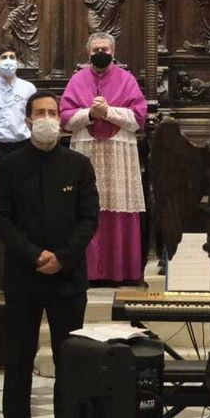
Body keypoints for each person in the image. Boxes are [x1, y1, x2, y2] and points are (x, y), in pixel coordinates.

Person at [0, 90, 99, 418]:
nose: (48, 119)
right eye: (40, 113)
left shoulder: (78, 165)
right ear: (27, 121)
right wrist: (34, 255)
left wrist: (63, 257)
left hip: (67, 277)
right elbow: (1, 219)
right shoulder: (10, 166)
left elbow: (89, 219)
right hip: (24, 276)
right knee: (19, 357)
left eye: (53, 112)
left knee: (68, 359)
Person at [61, 33, 147, 285]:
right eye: (96, 49)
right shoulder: (77, 80)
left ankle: (120, 271)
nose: (101, 53)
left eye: (105, 49)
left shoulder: (127, 79)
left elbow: (138, 118)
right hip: (86, 152)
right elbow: (65, 118)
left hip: (119, 153)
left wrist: (107, 112)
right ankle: (88, 271)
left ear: (113, 52)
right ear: (88, 53)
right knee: (86, 207)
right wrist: (90, 113)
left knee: (119, 206)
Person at [0, 46, 35, 163]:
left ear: (17, 61)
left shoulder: (29, 88)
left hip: (23, 145)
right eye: (4, 57)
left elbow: (34, 120)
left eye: (12, 57)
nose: (8, 61)